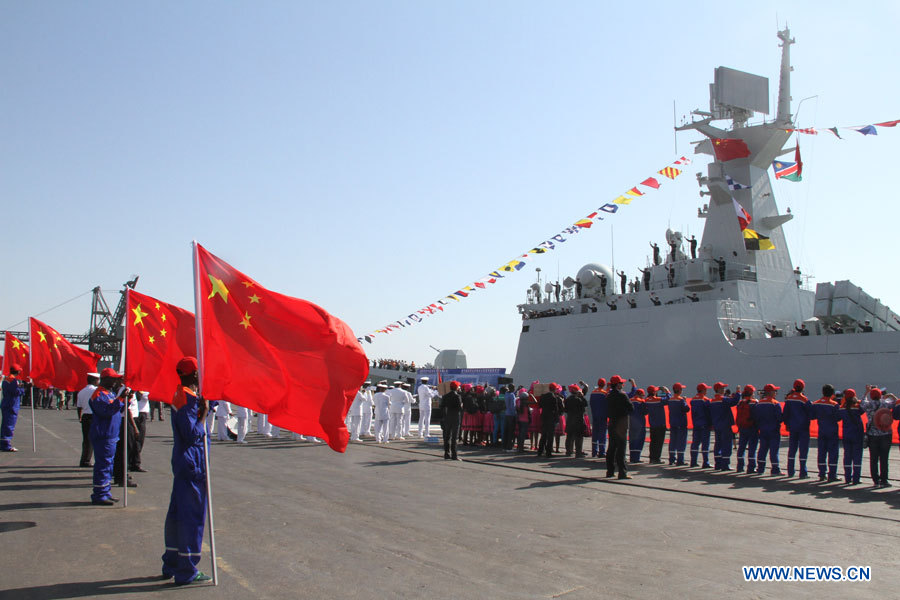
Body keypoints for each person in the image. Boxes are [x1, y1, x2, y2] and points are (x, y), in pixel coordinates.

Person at [161, 356, 212, 585]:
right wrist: (203, 415)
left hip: (186, 462)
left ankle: (172, 562)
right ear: (192, 375)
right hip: (193, 463)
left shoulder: (185, 395)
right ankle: (187, 569)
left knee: (177, 514)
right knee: (191, 517)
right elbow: (191, 432)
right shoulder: (186, 396)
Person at [89, 368, 127, 505]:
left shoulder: (109, 394)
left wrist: (125, 399)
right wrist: (121, 398)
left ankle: (106, 491)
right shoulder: (98, 395)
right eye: (114, 378)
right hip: (103, 435)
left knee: (108, 465)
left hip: (111, 435)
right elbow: (106, 411)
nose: (116, 381)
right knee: (103, 465)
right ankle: (99, 495)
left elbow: (117, 409)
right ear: (105, 379)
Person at [860, 386, 896, 487]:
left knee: (873, 458)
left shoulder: (868, 405)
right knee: (884, 458)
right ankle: (884, 480)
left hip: (872, 435)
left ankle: (875, 480)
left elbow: (862, 403)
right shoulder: (885, 403)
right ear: (880, 395)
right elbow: (897, 403)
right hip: (885, 434)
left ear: (871, 396)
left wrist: (866, 392)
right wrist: (891, 396)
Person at [605, 375, 633, 479]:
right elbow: (631, 408)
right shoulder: (622, 395)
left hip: (612, 423)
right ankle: (622, 472)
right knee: (621, 449)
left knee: (611, 448)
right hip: (621, 423)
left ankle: (610, 471)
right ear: (618, 384)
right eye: (621, 383)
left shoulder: (608, 395)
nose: (622, 384)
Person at [752, 384, 783, 475]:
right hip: (774, 430)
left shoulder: (759, 404)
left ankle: (760, 468)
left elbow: (756, 417)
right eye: (775, 391)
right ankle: (775, 469)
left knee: (762, 449)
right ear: (771, 392)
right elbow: (779, 418)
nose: (776, 393)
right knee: (774, 451)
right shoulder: (775, 403)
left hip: (763, 430)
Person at [811, 384, 840, 482]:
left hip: (822, 430)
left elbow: (812, 416)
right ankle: (832, 474)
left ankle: (822, 474)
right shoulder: (834, 404)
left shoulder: (816, 403)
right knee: (833, 454)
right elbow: (838, 418)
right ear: (832, 393)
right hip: (832, 431)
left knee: (822, 453)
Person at [783, 379, 812, 478]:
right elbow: (811, 413)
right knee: (803, 450)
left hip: (792, 427)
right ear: (803, 387)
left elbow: (785, 413)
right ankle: (803, 472)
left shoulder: (789, 399)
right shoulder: (804, 400)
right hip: (803, 428)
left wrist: (787, 424)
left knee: (792, 449)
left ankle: (790, 471)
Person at [709, 382, 739, 470]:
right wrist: (738, 393)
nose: (724, 390)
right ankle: (725, 465)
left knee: (718, 444)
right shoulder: (723, 399)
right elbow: (734, 402)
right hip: (725, 425)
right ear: (719, 389)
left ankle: (717, 463)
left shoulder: (712, 401)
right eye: (723, 388)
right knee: (726, 445)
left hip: (717, 425)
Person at [838, 389, 864, 486]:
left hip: (846, 434)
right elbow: (863, 408)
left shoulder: (842, 408)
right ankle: (856, 478)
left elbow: (838, 417)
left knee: (847, 456)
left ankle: (847, 478)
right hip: (857, 435)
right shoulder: (858, 407)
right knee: (857, 457)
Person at [76, 372, 100, 466]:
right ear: (94, 380)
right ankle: (88, 461)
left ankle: (85, 459)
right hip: (94, 416)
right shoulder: (96, 391)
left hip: (85, 416)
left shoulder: (82, 391)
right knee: (95, 440)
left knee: (86, 439)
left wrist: (80, 417)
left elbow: (79, 407)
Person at [1, 364, 26, 452]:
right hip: (11, 405)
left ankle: (3, 443)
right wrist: (23, 388)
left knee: (5, 424)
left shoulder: (7, 378)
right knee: (9, 425)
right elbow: (16, 392)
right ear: (17, 371)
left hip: (7, 403)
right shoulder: (12, 380)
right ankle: (6, 445)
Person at [734, 385, 758, 473]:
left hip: (742, 427)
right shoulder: (754, 402)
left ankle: (740, 467)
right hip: (752, 428)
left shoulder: (740, 403)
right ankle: (751, 467)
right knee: (752, 448)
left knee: (741, 448)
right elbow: (757, 415)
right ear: (751, 393)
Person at [536, 384, 563, 458]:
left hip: (544, 417)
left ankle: (540, 451)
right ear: (554, 389)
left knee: (543, 435)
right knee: (550, 436)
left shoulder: (543, 396)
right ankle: (548, 452)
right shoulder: (554, 397)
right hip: (551, 418)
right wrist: (557, 418)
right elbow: (556, 409)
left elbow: (540, 405)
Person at [666, 383, 690, 465]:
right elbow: (686, 409)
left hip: (673, 423)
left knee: (672, 441)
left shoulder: (670, 400)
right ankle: (680, 460)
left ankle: (671, 459)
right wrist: (685, 401)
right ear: (679, 390)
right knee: (681, 442)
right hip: (681, 423)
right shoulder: (681, 400)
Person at [644, 386, 668, 464]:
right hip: (660, 424)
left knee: (653, 442)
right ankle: (657, 458)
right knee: (659, 442)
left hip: (652, 424)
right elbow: (668, 399)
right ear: (654, 392)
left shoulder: (646, 400)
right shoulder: (658, 400)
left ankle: (652, 458)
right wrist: (667, 391)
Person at [689, 383, 712, 468]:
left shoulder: (693, 400)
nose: (706, 391)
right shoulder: (705, 400)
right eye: (706, 389)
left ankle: (693, 461)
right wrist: (711, 424)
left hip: (696, 424)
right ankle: (705, 462)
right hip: (704, 424)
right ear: (703, 390)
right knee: (705, 444)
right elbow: (709, 413)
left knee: (695, 443)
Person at [439, 381, 462, 460]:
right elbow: (460, 408)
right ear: (456, 387)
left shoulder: (445, 396)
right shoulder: (457, 396)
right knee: (454, 437)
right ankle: (454, 454)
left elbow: (441, 406)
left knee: (447, 436)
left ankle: (446, 453)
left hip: (447, 417)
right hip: (455, 417)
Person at [563, 384, 587, 457]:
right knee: (579, 437)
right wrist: (582, 396)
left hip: (570, 419)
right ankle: (578, 452)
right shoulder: (579, 399)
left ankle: (568, 451)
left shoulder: (568, 399)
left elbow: (565, 410)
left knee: (569, 436)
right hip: (578, 420)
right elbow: (585, 405)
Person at [627, 383, 647, 463]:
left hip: (631, 423)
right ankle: (636, 458)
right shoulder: (641, 402)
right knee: (639, 440)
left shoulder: (630, 400)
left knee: (632, 440)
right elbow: (644, 412)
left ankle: (632, 457)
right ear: (641, 395)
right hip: (640, 423)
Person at [131, 391, 151, 472]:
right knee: (138, 440)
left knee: (140, 440)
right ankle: (135, 462)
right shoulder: (139, 388)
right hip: (139, 413)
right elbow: (140, 397)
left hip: (143, 413)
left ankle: (134, 461)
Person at [589, 379, 608, 458]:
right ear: (604, 384)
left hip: (595, 415)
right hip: (603, 416)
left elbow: (591, 403)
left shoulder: (593, 393)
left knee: (595, 434)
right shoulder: (604, 393)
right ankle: (602, 451)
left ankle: (594, 451)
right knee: (602, 434)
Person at [502, 385, 517, 451]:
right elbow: (513, 406)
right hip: (511, 414)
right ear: (512, 388)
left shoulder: (506, 394)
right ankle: (509, 447)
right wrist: (515, 413)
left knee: (506, 431)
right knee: (511, 431)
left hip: (506, 413)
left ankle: (504, 446)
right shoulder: (512, 395)